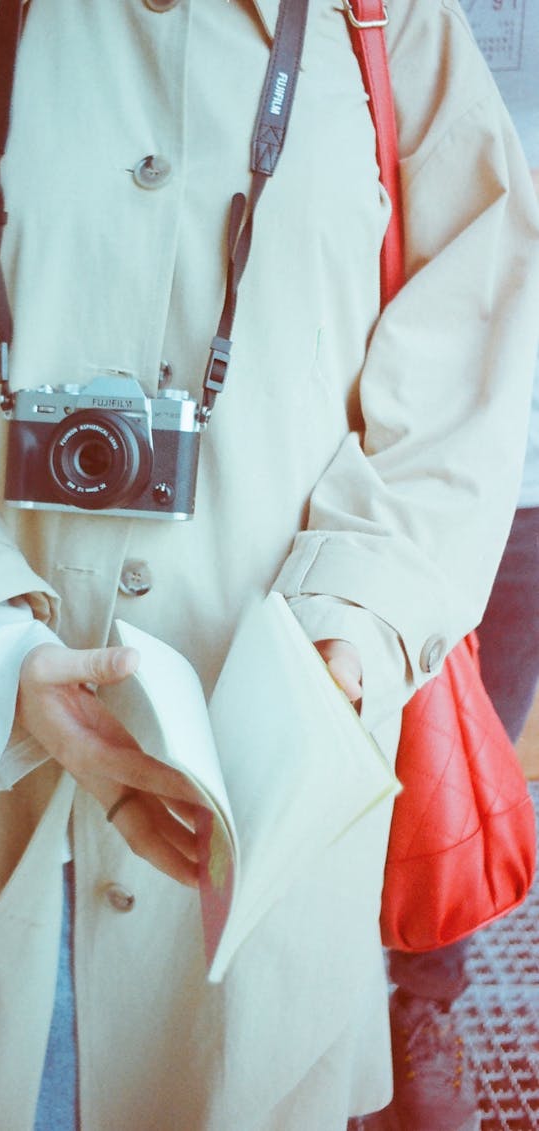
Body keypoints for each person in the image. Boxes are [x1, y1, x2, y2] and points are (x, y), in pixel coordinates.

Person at [0, 2, 538, 1128]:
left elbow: (465, 357)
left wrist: (348, 629)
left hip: (270, 792)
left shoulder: (388, 26)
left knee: (246, 1068)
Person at [382, 6, 539, 1126]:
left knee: (462, 755)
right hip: (373, 463)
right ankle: (325, 1009)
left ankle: (419, 1003)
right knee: (336, 738)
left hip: (529, 481)